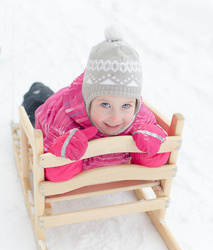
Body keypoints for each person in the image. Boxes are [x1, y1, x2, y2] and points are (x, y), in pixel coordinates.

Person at [25, 23, 169, 182]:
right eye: (105, 105)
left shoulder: (141, 119)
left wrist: (152, 149)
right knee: (35, 102)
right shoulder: (64, 124)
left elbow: (154, 162)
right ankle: (37, 89)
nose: (115, 117)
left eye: (126, 105)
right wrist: (65, 153)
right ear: (89, 101)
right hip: (51, 107)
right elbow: (54, 175)